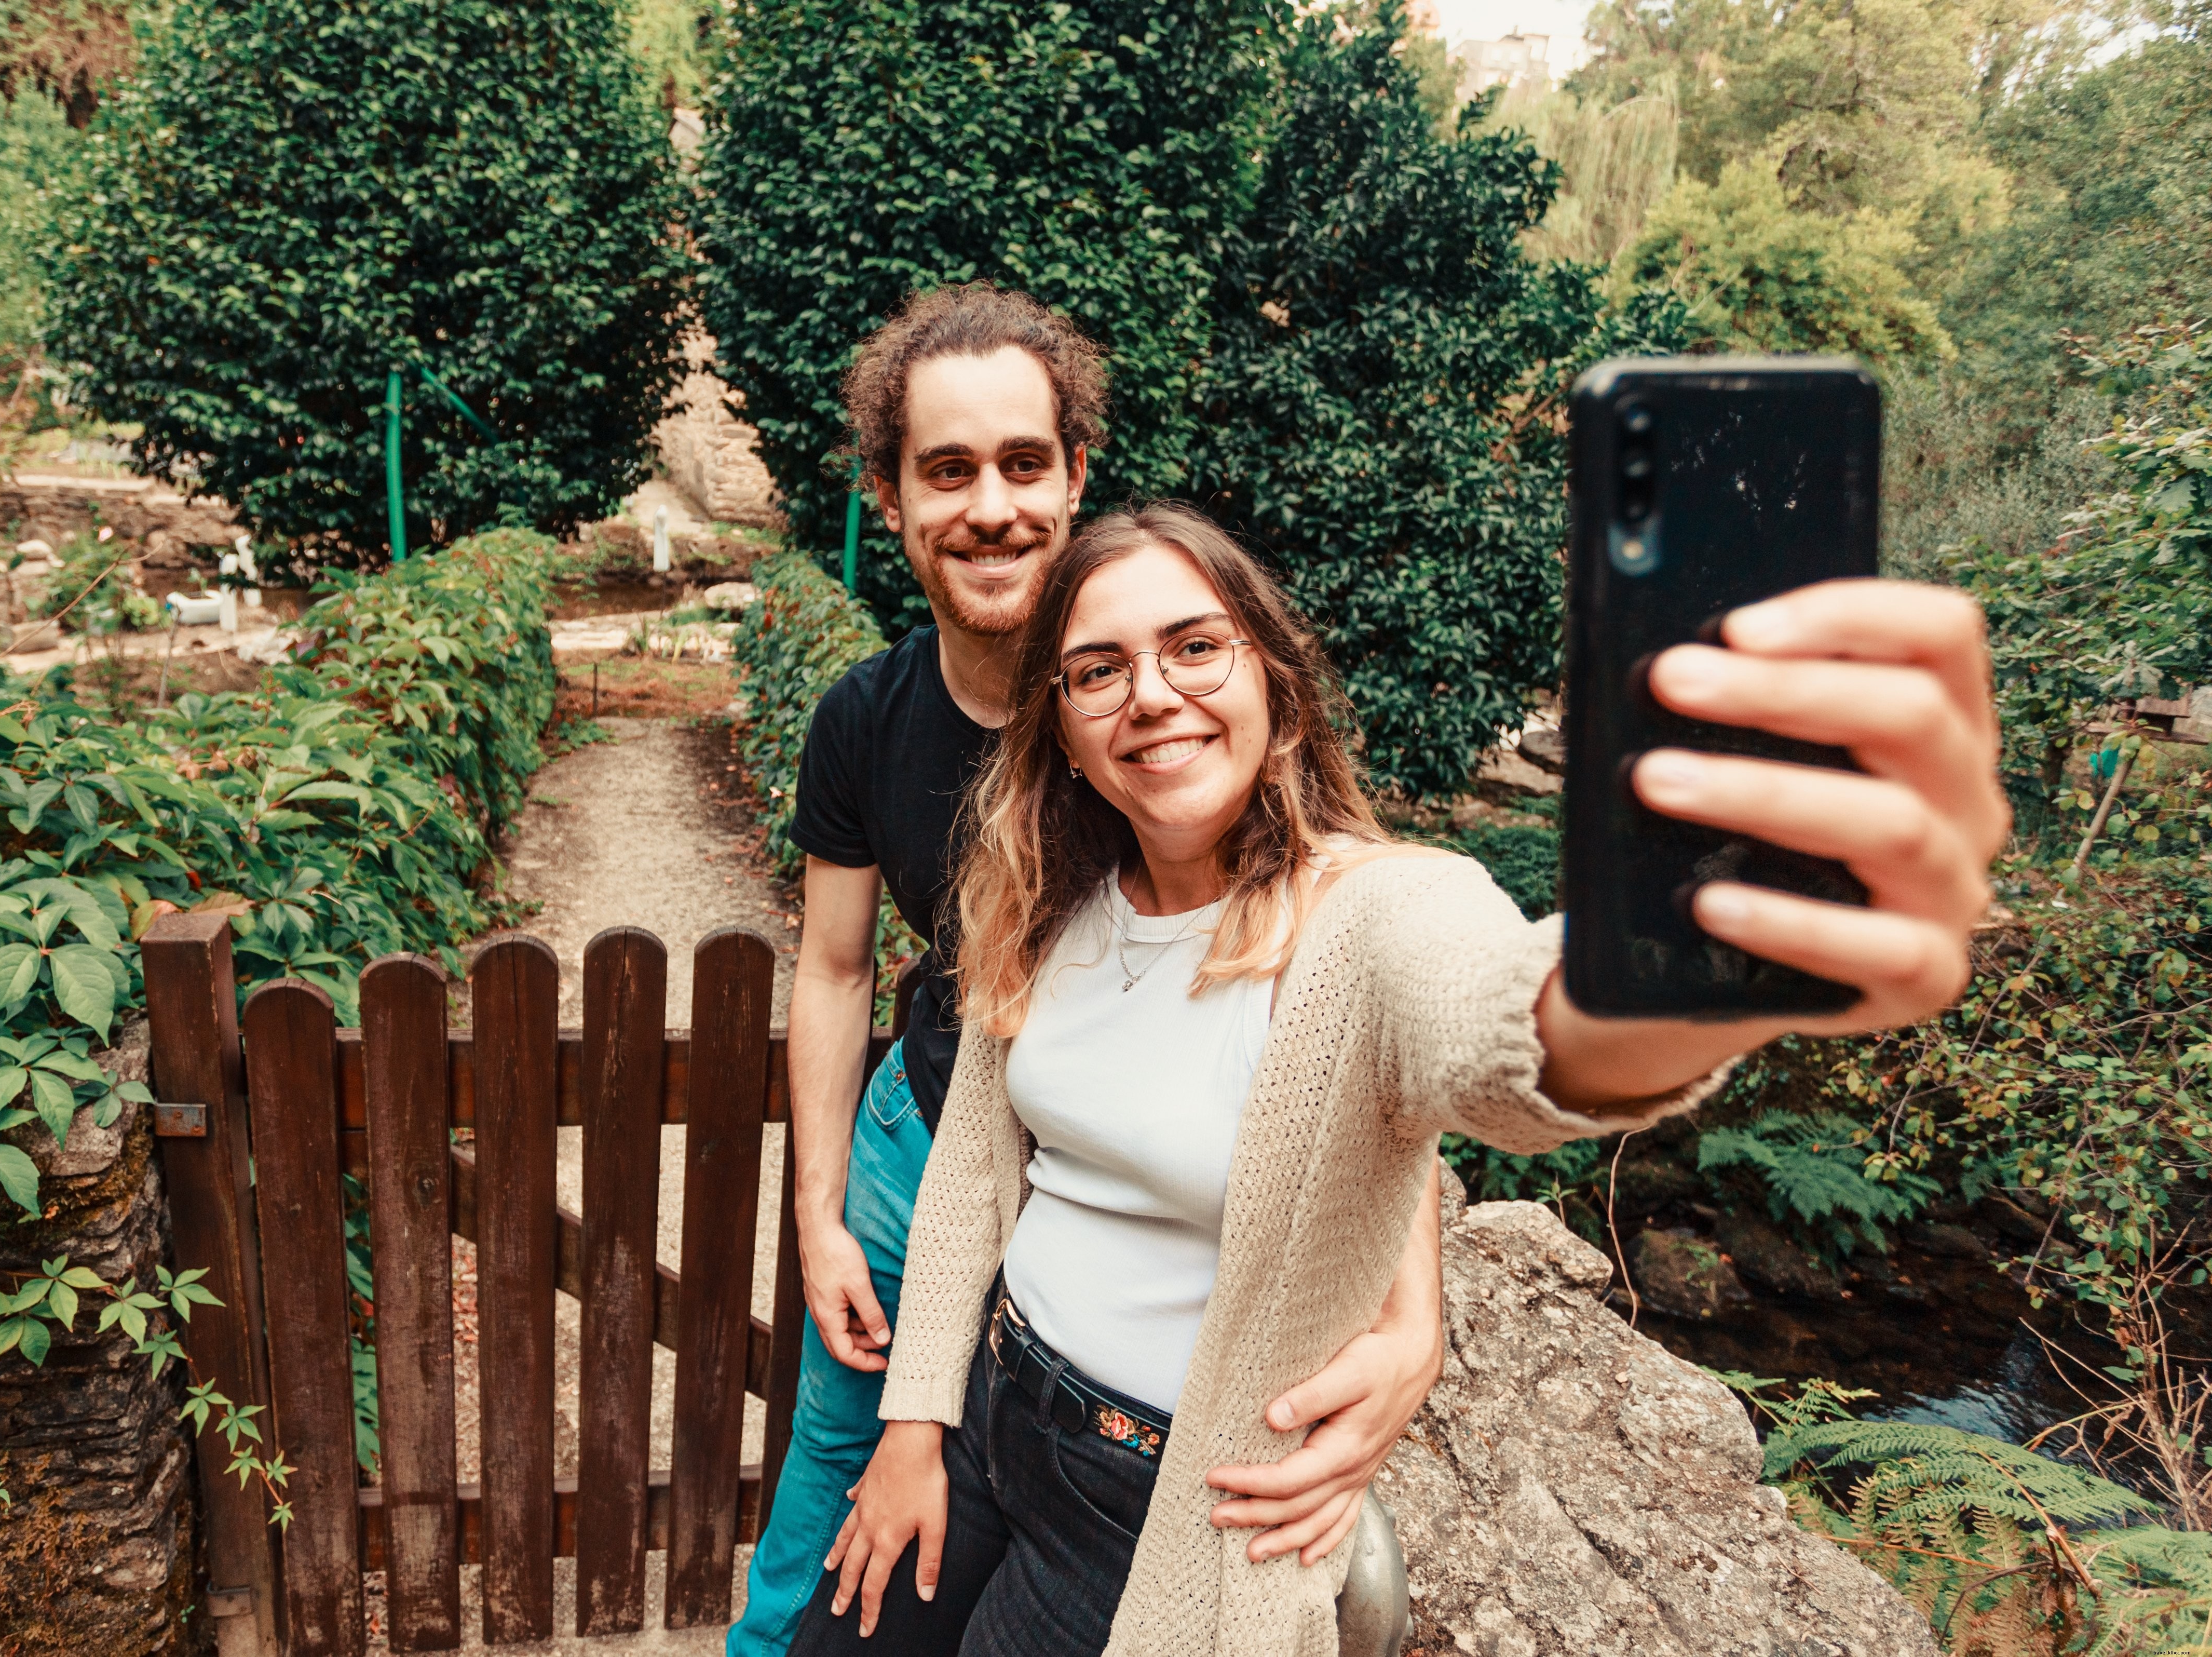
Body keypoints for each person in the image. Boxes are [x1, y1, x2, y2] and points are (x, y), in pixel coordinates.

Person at [797, 503, 2010, 1655]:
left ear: (1273, 678)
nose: (1151, 694)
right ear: (1060, 722)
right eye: (1098, 669)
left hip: (1153, 1505)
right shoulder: (1047, 897)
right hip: (982, 1412)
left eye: (1194, 647)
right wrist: (915, 1425)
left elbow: (1502, 1035)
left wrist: (1698, 952)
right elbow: (973, 1163)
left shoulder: (1379, 910)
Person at [731, 293, 1449, 1656]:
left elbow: (1357, 1016)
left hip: (1116, 1194)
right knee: (840, 1480)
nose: (990, 505)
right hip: (925, 1152)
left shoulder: (1175, 727)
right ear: (889, 498)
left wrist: (1411, 1313)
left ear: (1074, 476)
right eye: (946, 470)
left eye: (1022, 462)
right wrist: (823, 1215)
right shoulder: (863, 720)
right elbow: (830, 972)